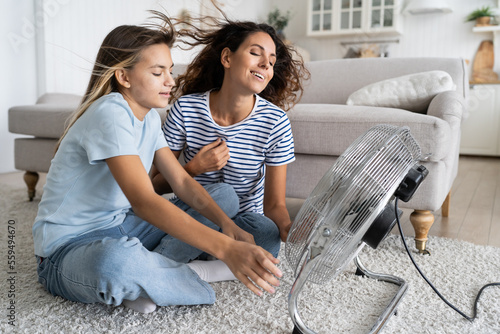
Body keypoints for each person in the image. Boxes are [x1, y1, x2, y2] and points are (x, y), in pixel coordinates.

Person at [32, 12, 282, 315]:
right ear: (123, 77)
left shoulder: (149, 117)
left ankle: (151, 275)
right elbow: (144, 202)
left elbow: (183, 183)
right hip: (66, 251)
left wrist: (229, 228)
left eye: (170, 70)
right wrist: (226, 249)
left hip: (121, 227)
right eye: (157, 72)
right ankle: (189, 275)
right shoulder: (110, 113)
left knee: (224, 196)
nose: (170, 80)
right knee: (115, 263)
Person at [151, 14, 309, 263]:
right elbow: (155, 184)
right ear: (227, 58)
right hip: (197, 216)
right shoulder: (186, 109)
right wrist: (193, 168)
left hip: (243, 225)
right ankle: (163, 265)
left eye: (271, 60)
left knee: (267, 237)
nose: (266, 64)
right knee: (223, 196)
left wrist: (286, 227)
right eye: (256, 53)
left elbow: (274, 205)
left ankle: (192, 265)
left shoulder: (275, 122)